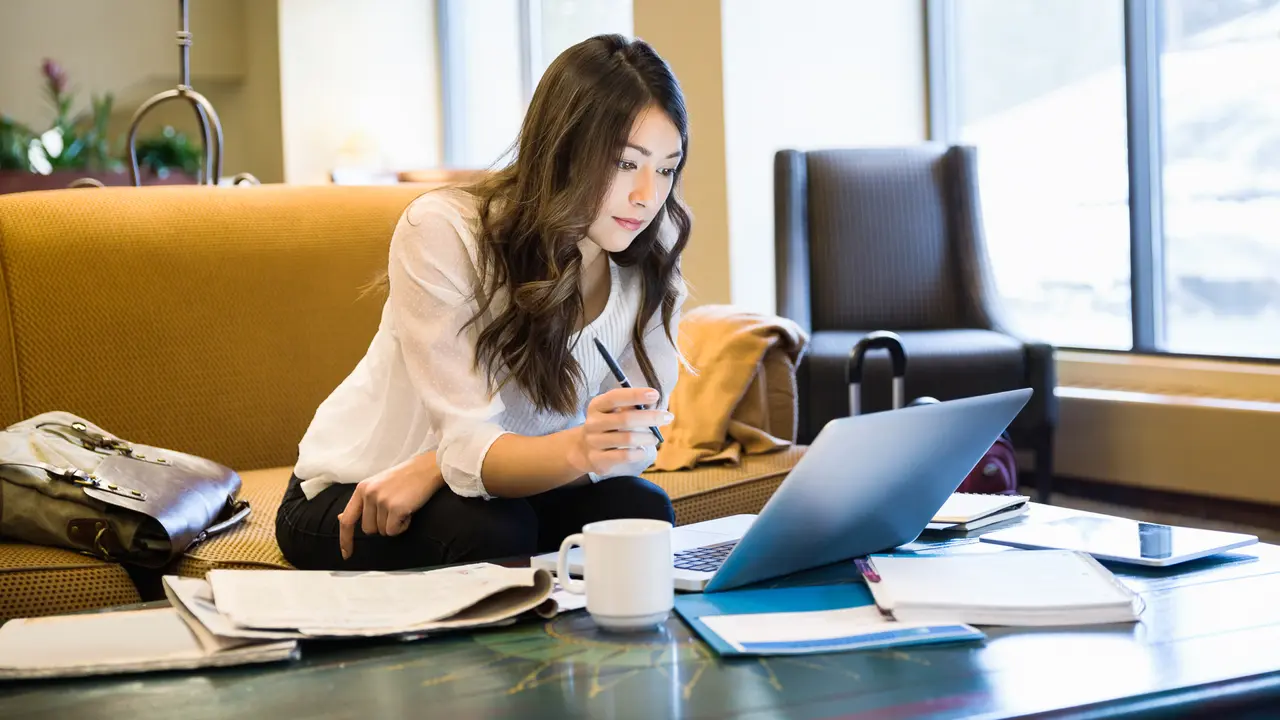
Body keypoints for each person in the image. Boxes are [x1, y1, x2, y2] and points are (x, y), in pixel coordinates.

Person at [274, 34, 692, 571]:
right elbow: (471, 443)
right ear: (563, 150)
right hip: (356, 489)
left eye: (665, 168)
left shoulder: (648, 258)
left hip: (496, 485)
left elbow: (636, 442)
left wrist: (438, 466)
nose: (646, 195)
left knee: (639, 511)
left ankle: (606, 653)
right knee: (492, 529)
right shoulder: (445, 232)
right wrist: (574, 448)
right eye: (625, 163)